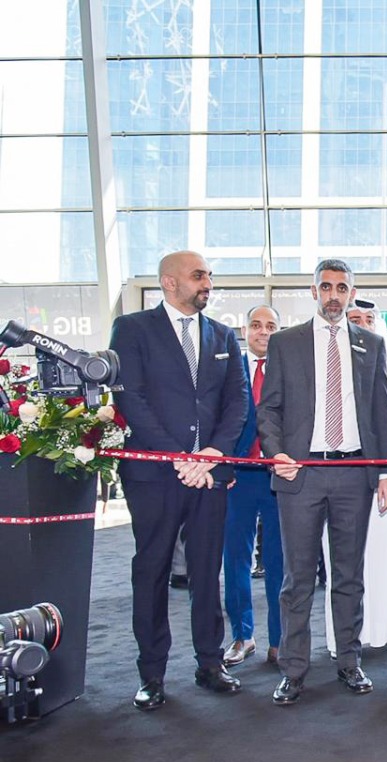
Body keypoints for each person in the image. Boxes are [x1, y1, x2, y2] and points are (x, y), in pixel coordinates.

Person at [109, 250, 248, 710]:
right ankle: (152, 674)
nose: (207, 282)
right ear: (170, 282)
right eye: (198, 275)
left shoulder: (224, 335)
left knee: (209, 570)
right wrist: (178, 456)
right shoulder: (132, 330)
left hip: (209, 474)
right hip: (154, 475)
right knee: (152, 570)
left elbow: (238, 402)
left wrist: (210, 455)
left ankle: (211, 663)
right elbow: (131, 397)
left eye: (208, 275)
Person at [257, 259, 387, 706]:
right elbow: (270, 408)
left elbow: (380, 412)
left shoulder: (371, 344)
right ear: (313, 291)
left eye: (342, 288)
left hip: (354, 474)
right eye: (326, 287)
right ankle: (294, 670)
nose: (334, 295)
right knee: (297, 579)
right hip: (301, 473)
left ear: (351, 292)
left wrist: (386, 470)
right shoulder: (285, 342)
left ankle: (348, 662)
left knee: (348, 576)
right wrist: (276, 452)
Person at [323, 298, 387, 655]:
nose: (363, 324)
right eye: (354, 318)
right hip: (345, 477)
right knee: (344, 563)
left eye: (369, 319)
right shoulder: (331, 364)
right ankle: (344, 639)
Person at [221, 305, 283, 667]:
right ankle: (242, 636)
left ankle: (279, 639)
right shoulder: (229, 369)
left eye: (270, 325)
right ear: (245, 330)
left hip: (279, 477)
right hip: (237, 478)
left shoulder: (289, 370)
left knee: (280, 562)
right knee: (236, 559)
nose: (263, 331)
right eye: (256, 325)